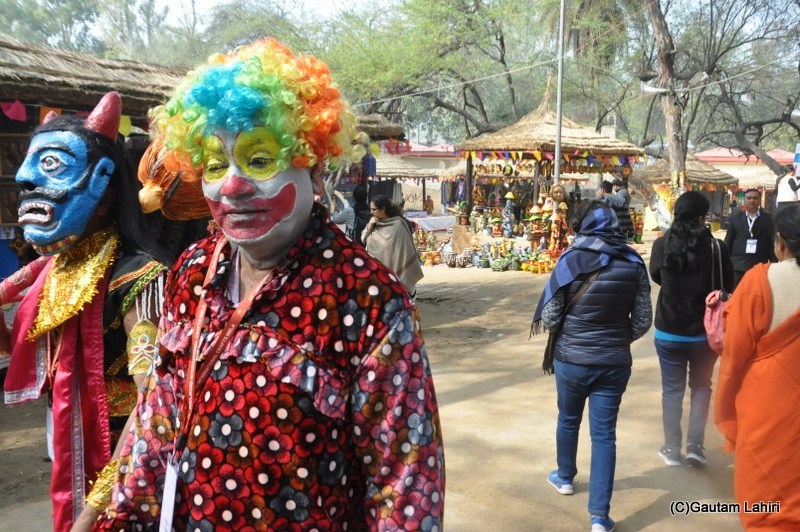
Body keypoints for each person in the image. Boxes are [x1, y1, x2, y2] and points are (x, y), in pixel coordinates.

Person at [92, 38, 444, 531]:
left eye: (259, 160)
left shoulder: (370, 299)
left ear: (313, 167)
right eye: (216, 164)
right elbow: (157, 420)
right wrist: (121, 514)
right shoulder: (192, 271)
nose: (232, 186)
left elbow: (404, 482)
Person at [0, 93, 171, 532]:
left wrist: (93, 512)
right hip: (67, 437)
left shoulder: (138, 277)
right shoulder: (53, 268)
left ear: (103, 190)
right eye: (29, 166)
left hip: (122, 461)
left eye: (51, 165)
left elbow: (153, 405)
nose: (25, 179)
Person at [533, 200, 652, 532]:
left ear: (583, 224)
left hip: (571, 360)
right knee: (604, 436)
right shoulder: (633, 262)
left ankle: (564, 477)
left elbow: (551, 317)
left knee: (568, 419)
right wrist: (615, 340)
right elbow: (643, 321)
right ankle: (600, 517)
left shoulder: (570, 260)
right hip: (614, 363)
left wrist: (577, 336)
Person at [715, 203, 800, 530]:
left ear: (780, 242)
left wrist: (727, 410)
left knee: (766, 506)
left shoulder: (759, 281)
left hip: (769, 412)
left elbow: (734, 356)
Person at [648, 191, 733, 469]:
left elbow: (657, 277)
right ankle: (696, 446)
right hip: (705, 334)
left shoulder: (662, 245)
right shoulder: (716, 248)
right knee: (701, 387)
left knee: (671, 391)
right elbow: (727, 285)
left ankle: (672, 449)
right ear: (702, 217)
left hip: (669, 330)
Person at [362, 193, 424, 297]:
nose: (371, 212)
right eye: (371, 209)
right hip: (379, 272)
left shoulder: (398, 224)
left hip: (398, 268)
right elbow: (363, 239)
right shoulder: (374, 223)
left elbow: (403, 249)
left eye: (374, 209)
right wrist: (370, 226)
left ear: (383, 209)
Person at [724, 188, 777, 288]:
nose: (752, 200)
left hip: (759, 265)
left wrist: (773, 264)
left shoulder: (768, 219)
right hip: (738, 266)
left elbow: (771, 242)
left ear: (759, 200)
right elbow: (729, 240)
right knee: (736, 294)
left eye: (755, 198)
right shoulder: (735, 218)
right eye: (749, 198)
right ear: (744, 200)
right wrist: (726, 262)